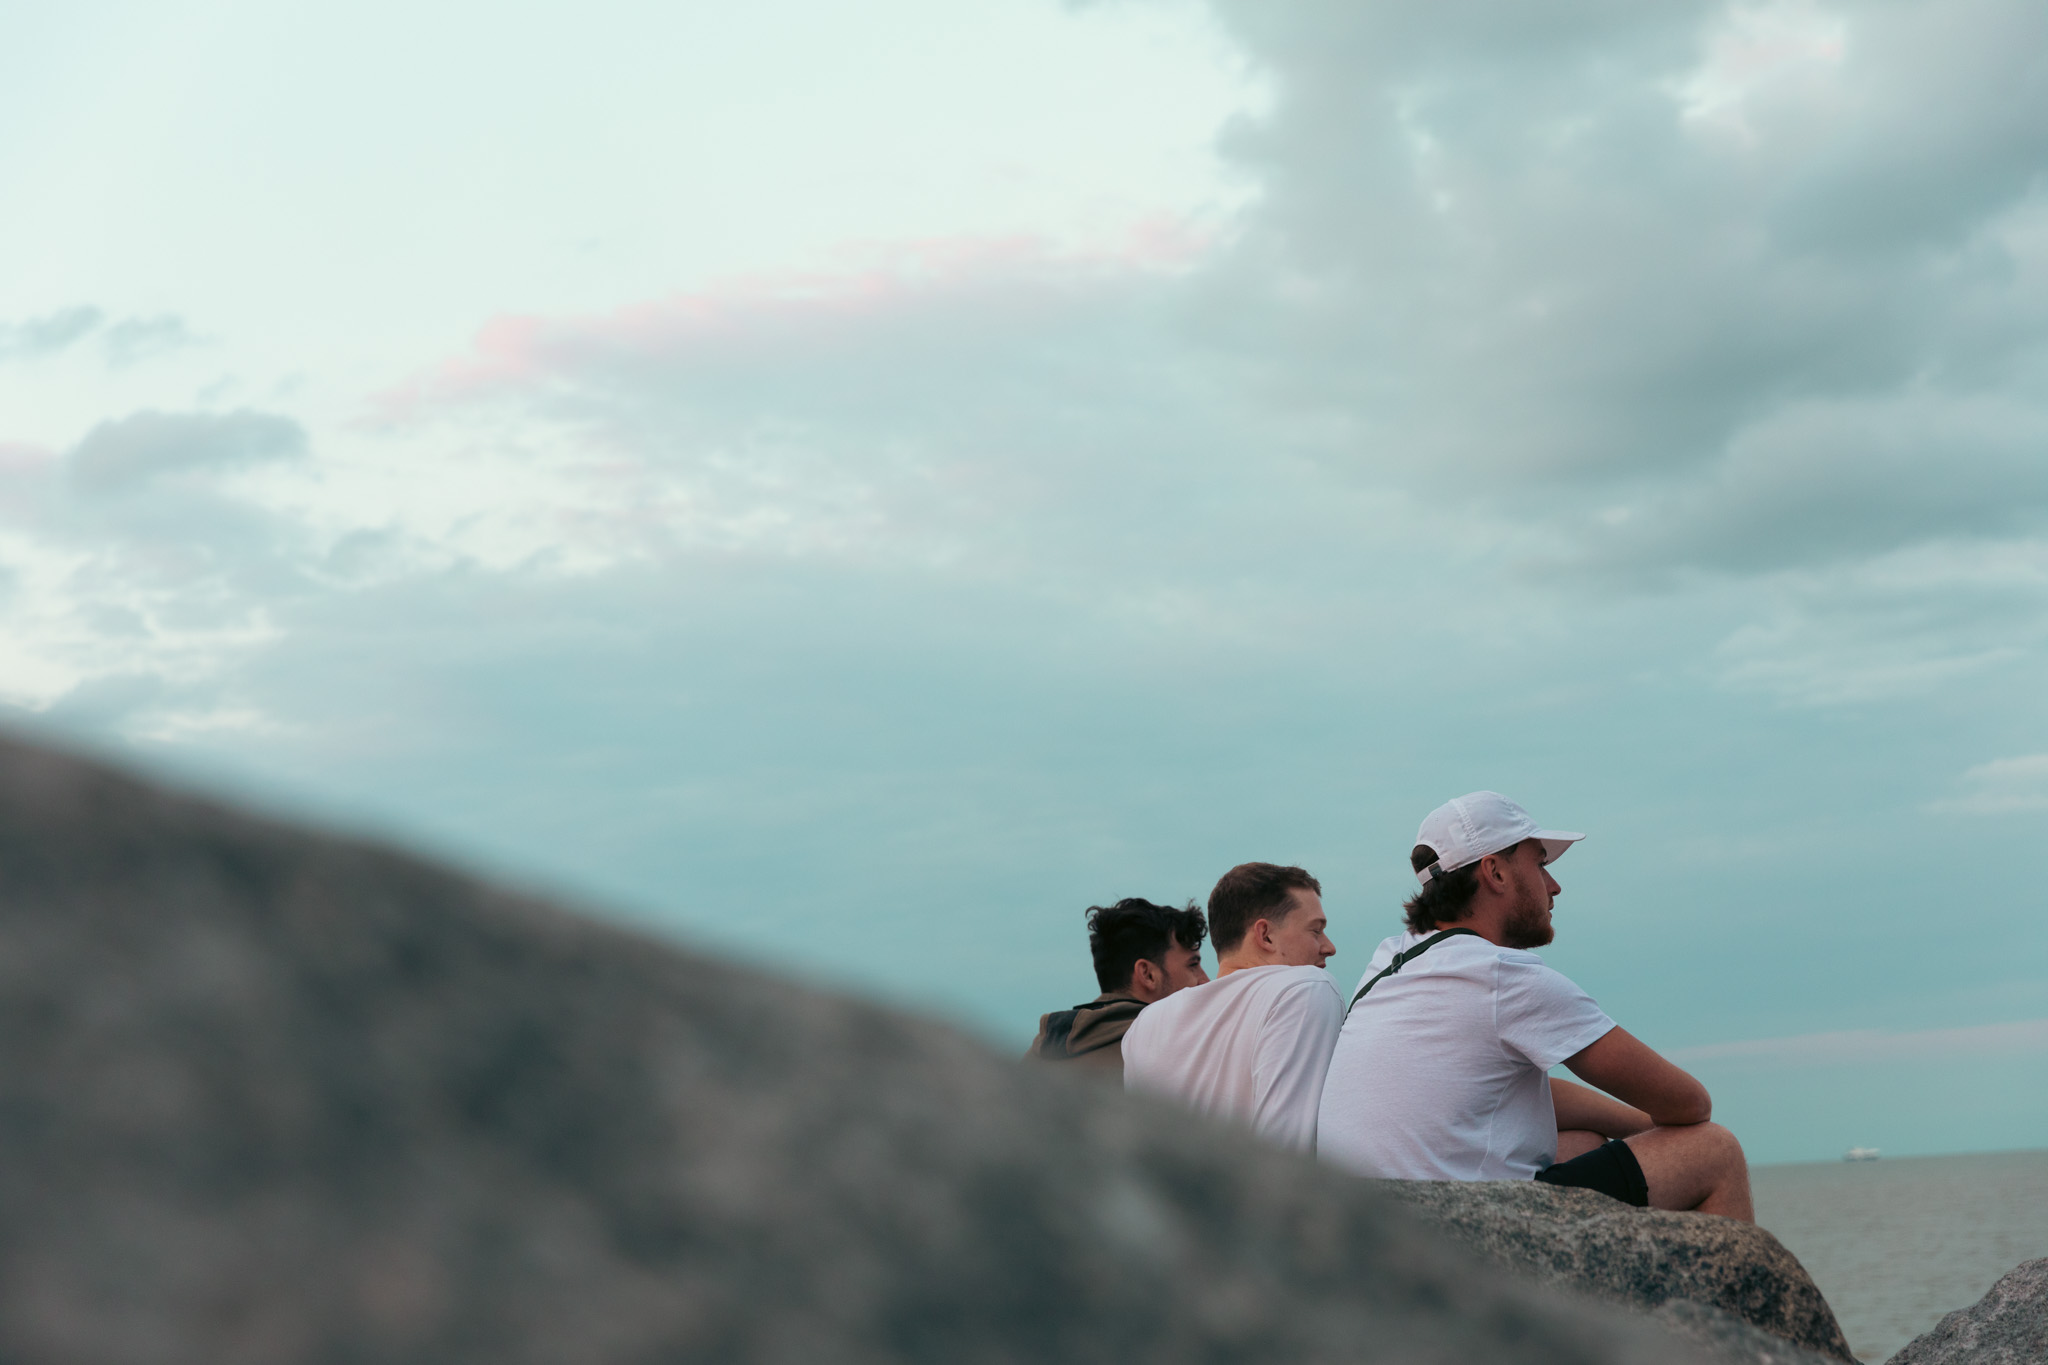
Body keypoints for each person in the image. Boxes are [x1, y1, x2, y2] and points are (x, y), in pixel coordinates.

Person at [1317, 792, 1753, 1221]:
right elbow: (1690, 1104)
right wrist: (1663, 1132)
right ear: (1496, 872)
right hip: (1460, 1234)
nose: (1554, 885)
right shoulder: (1502, 975)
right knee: (1713, 1148)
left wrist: (1638, 1127)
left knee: (1582, 1142)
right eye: (1540, 864)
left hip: (1368, 1229)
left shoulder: (1389, 963)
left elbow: (1499, 1092)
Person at [1121, 863, 1342, 1151]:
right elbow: (1284, 1157)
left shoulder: (1147, 1023)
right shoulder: (1304, 989)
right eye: (1316, 931)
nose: (1329, 946)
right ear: (1265, 935)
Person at [1026, 898, 1209, 1074]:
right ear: (1147, 974)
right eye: (1193, 965)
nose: (1205, 980)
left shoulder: (1037, 1055)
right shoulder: (1170, 1056)